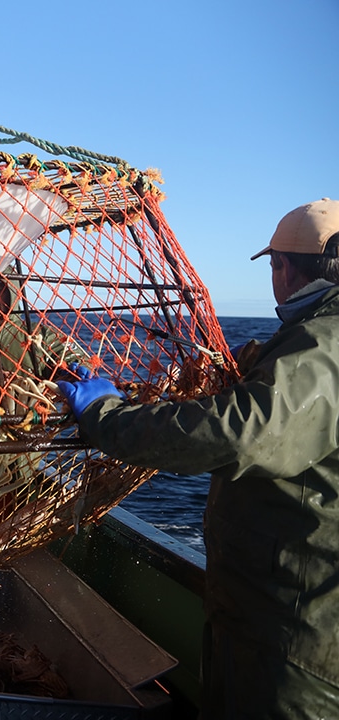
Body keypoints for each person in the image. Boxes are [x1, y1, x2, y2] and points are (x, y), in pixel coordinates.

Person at [56, 198, 339, 719]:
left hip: (297, 644)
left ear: (284, 267)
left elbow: (238, 432)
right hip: (271, 618)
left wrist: (106, 415)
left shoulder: (323, 347)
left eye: (275, 266)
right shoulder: (308, 342)